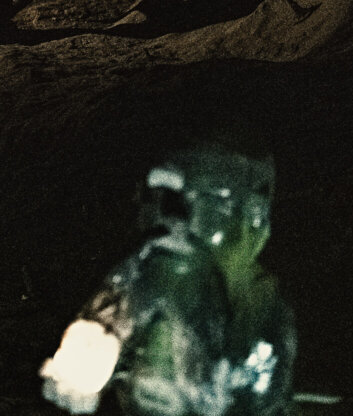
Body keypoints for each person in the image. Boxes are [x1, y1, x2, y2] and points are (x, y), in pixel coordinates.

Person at [40, 148, 296, 416]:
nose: (184, 220)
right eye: (181, 200)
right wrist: (79, 365)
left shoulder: (259, 303)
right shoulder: (149, 266)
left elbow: (259, 396)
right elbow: (90, 346)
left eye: (215, 202)